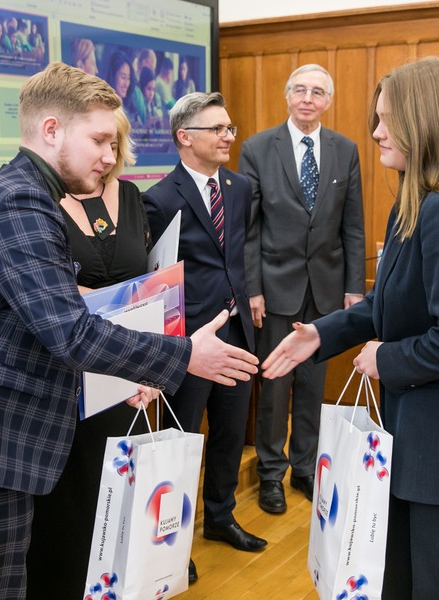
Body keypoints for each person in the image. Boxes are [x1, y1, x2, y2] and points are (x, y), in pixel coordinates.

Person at [0, 62, 258, 600]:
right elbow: (71, 332)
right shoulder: (21, 201)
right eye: (100, 141)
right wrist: (183, 356)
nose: (111, 157)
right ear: (51, 131)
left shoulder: (28, 193)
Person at [263, 57, 439, 599]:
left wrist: (385, 359)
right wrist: (322, 334)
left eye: (386, 120)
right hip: (417, 439)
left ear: (425, 122)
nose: (376, 131)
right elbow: (388, 301)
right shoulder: (415, 201)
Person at [24, 107, 153, 598]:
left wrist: (149, 366)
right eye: (99, 142)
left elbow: (147, 284)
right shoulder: (36, 204)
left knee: (117, 507)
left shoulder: (134, 198)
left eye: (115, 143)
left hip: (126, 382)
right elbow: (50, 306)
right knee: (69, 518)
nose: (107, 155)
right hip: (62, 382)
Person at [143, 92, 267, 579]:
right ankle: (172, 539)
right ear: (184, 137)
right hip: (190, 342)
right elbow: (155, 276)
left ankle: (220, 517)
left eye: (230, 128)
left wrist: (250, 295)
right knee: (183, 438)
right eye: (217, 129)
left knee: (231, 436)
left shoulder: (240, 188)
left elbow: (240, 253)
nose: (228, 137)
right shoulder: (157, 198)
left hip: (235, 331)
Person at [238, 64, 365, 514]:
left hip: (327, 291)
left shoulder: (345, 150)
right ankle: (271, 473)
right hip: (275, 288)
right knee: (275, 384)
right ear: (287, 96)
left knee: (312, 385)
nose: (308, 98)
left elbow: (353, 225)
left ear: (329, 100)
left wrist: (353, 288)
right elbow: (248, 229)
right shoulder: (256, 148)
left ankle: (305, 469)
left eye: (318, 92)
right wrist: (252, 288)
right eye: (300, 90)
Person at [107, 50, 145, 127]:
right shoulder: (105, 108)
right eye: (123, 77)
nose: (126, 83)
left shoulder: (130, 106)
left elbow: (141, 131)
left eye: (128, 78)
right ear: (113, 76)